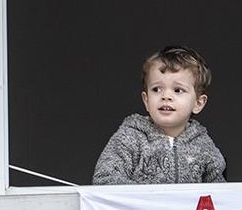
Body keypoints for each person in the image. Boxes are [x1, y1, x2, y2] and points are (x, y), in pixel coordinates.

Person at [92, 46, 227, 185]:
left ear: (198, 103)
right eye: (157, 89)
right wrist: (149, 194)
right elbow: (104, 179)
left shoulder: (204, 146)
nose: (166, 96)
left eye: (178, 90)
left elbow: (220, 192)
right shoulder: (130, 138)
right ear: (146, 100)